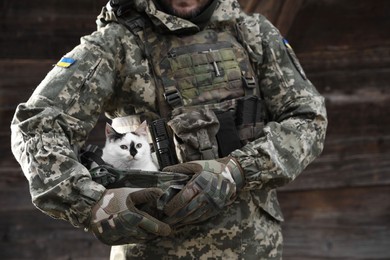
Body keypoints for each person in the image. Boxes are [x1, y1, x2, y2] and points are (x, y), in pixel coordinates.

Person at [10, 0, 327, 259]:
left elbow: (307, 118)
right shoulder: (116, 45)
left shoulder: (253, 34)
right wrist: (90, 203)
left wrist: (238, 170)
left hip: (256, 249)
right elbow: (36, 126)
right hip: (155, 250)